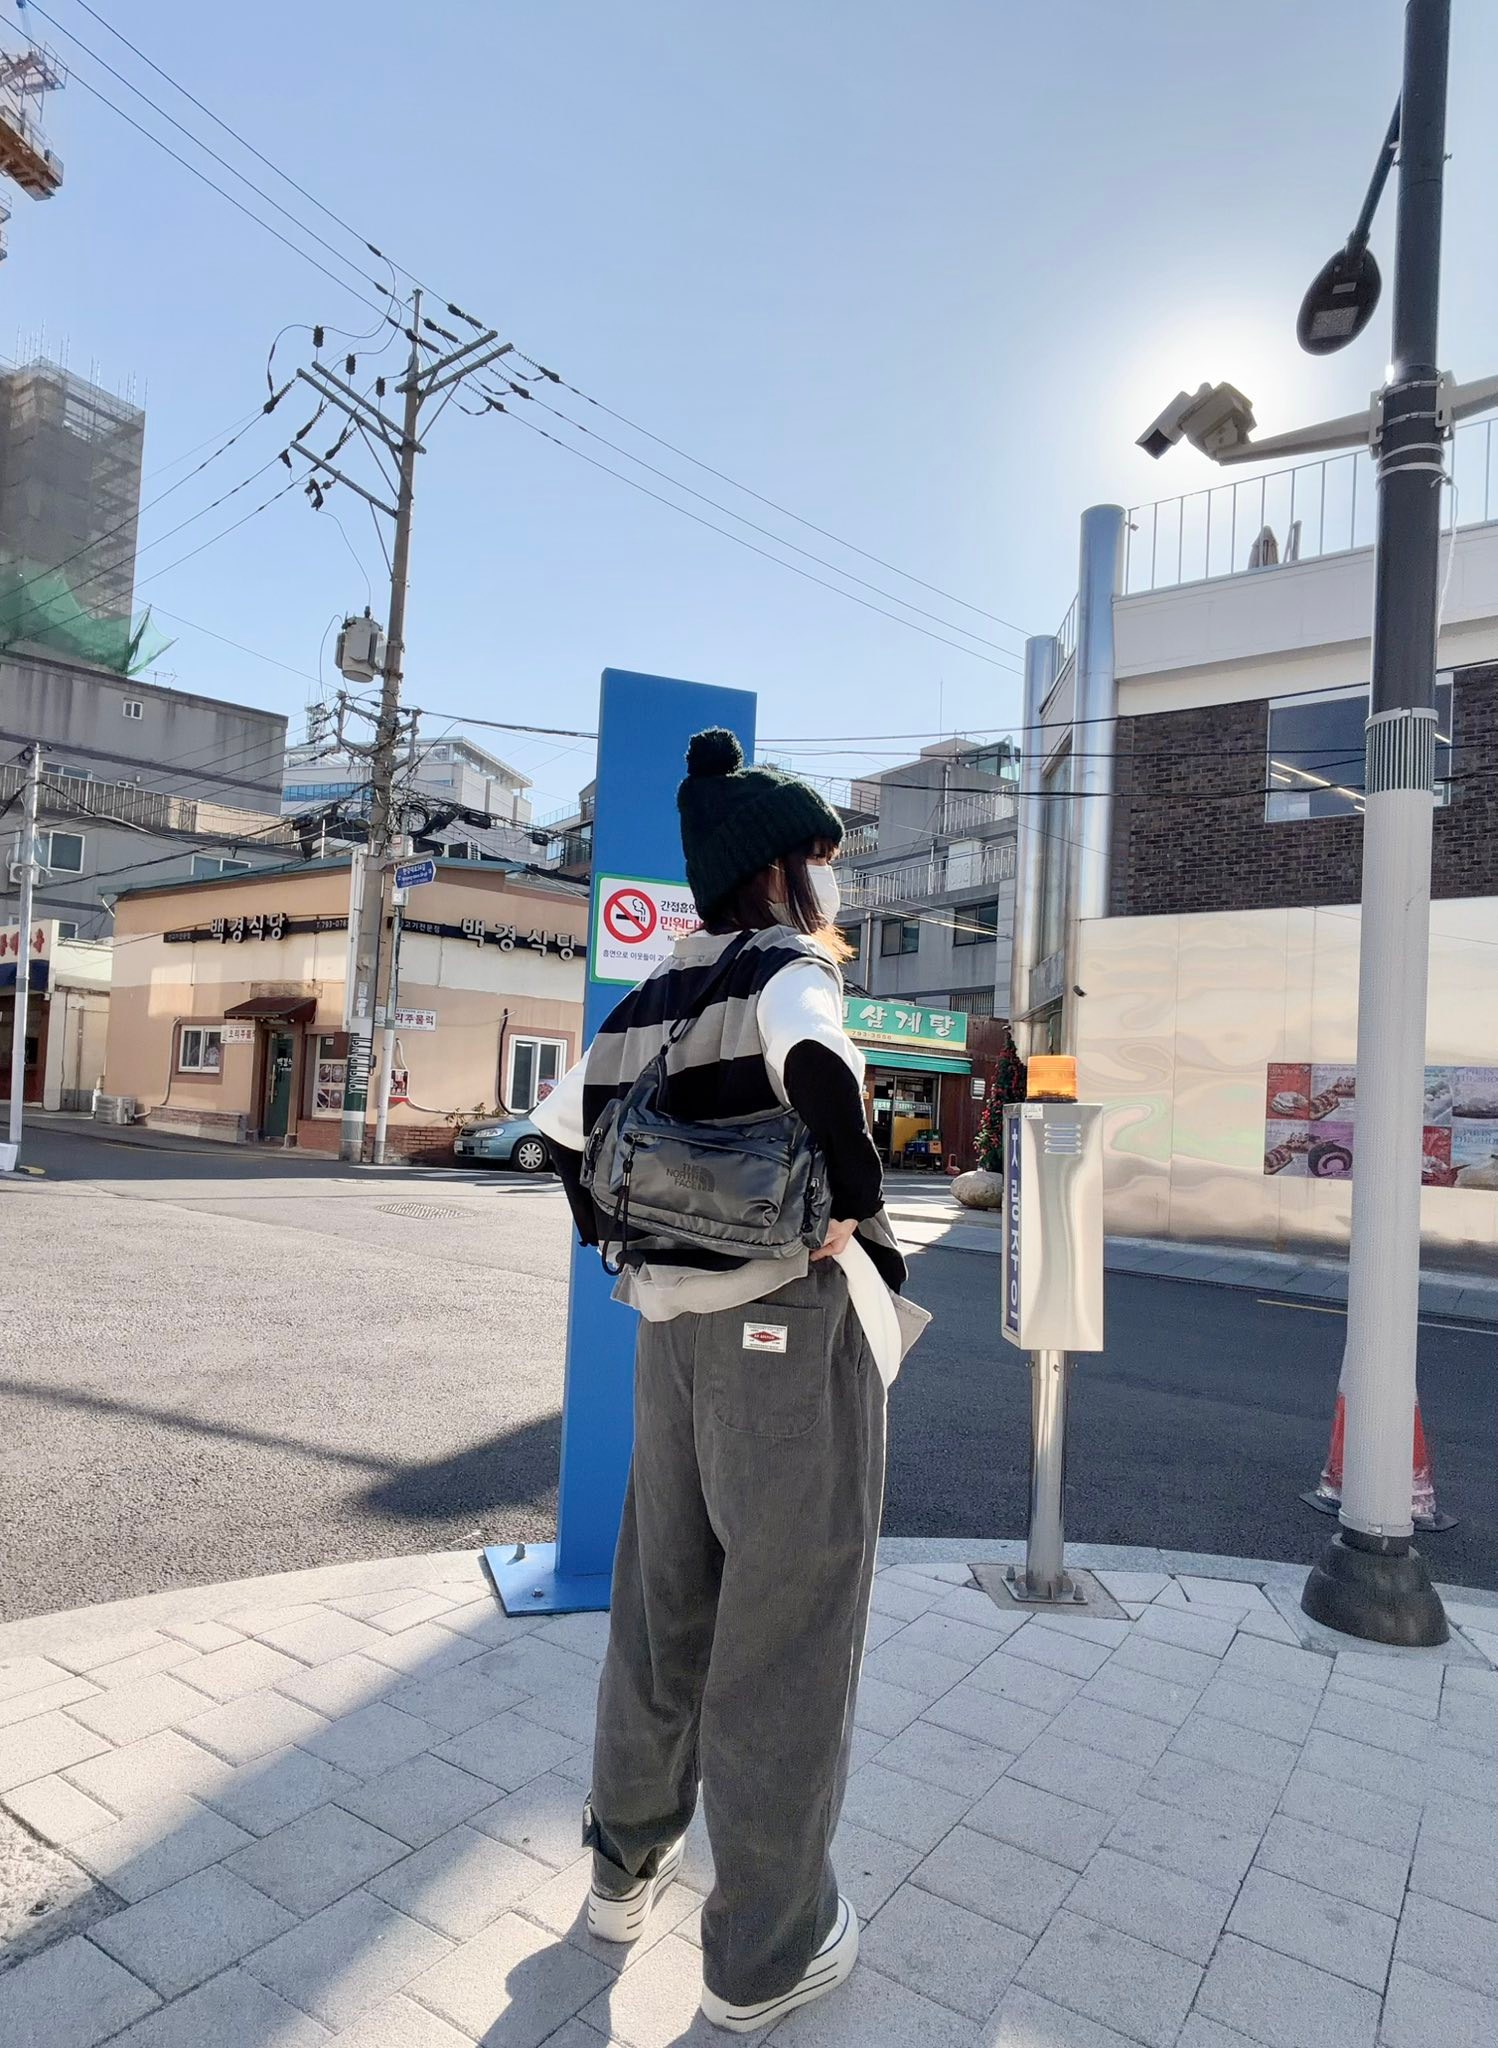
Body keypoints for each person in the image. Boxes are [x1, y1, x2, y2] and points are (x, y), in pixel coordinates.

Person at [532, 727, 926, 2033]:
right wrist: (851, 1202)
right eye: (822, 859)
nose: (831, 883)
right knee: (786, 1638)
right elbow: (818, 1064)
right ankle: (765, 1952)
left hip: (669, 1341)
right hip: (785, 1336)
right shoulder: (785, 968)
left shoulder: (656, 988)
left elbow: (559, 1136)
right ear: (781, 871)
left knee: (662, 1611)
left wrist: (628, 1240)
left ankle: (619, 1873)